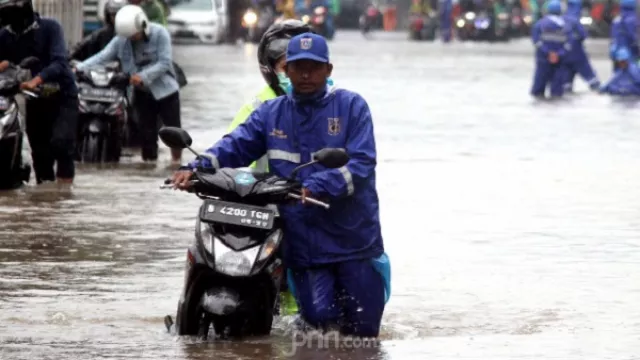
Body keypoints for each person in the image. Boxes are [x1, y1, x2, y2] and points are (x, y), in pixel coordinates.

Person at [171, 32, 390, 337]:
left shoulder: (352, 107)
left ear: (328, 70)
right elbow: (235, 145)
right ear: (285, 70)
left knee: (364, 333)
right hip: (305, 240)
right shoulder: (270, 113)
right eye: (298, 67)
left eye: (313, 67)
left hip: (353, 238)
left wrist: (316, 186)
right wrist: (195, 167)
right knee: (318, 322)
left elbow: (362, 164)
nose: (305, 74)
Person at [226, 19, 314, 316]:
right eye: (287, 65)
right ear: (271, 69)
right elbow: (229, 150)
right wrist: (199, 169)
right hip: (262, 207)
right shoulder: (256, 108)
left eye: (304, 64)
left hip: (311, 205)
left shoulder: (336, 105)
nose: (297, 74)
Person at [75, 4, 182, 164]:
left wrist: (142, 76)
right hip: (141, 93)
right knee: (146, 134)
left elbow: (164, 62)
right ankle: (149, 165)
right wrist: (78, 68)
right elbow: (102, 57)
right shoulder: (121, 40)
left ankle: (176, 162)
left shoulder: (160, 33)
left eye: (135, 36)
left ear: (143, 26)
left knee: (174, 131)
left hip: (166, 91)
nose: (132, 39)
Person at [0, 0, 79, 185]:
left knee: (62, 144)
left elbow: (60, 62)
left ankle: (64, 195)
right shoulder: (5, 35)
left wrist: (36, 80)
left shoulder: (51, 28)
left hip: (63, 96)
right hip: (34, 99)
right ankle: (46, 196)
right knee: (40, 154)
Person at [530, 0, 570, 99]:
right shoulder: (566, 25)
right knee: (557, 91)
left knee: (538, 89)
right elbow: (569, 44)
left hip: (543, 59)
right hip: (559, 60)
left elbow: (536, 41)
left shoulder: (540, 24)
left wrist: (548, 53)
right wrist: (557, 54)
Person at [563, 0, 600, 92]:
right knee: (588, 73)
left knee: (567, 77)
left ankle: (567, 89)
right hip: (577, 52)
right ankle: (596, 87)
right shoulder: (575, 19)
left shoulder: (563, 18)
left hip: (564, 52)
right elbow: (583, 35)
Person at [609, 0, 637, 70]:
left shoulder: (616, 20)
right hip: (630, 53)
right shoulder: (633, 20)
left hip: (616, 52)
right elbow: (634, 37)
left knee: (618, 76)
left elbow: (612, 37)